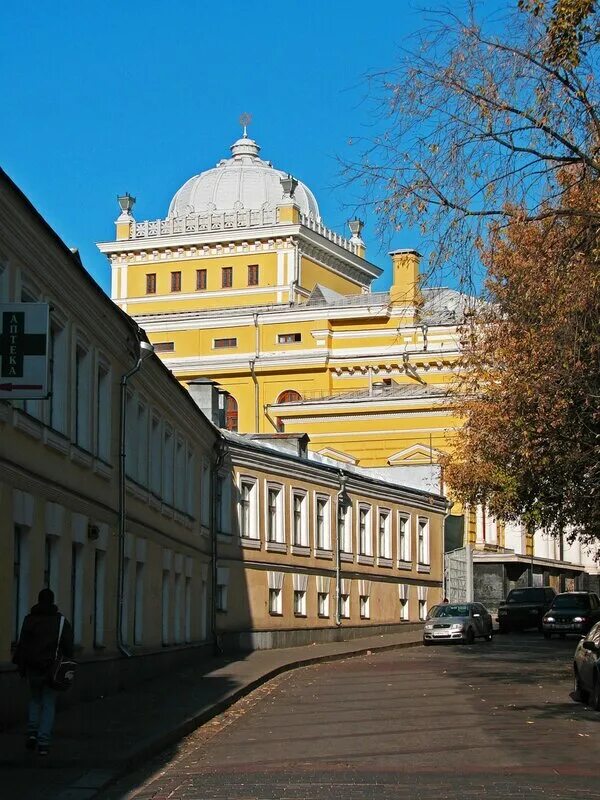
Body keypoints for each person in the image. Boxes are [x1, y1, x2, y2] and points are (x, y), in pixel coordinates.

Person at [12, 588, 74, 756]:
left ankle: (32, 732)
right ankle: (43, 742)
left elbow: (22, 645)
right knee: (48, 703)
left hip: (33, 668)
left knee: (35, 699)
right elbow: (69, 647)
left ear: (38, 601)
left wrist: (21, 668)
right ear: (53, 601)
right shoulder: (61, 622)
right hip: (52, 669)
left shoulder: (29, 620)